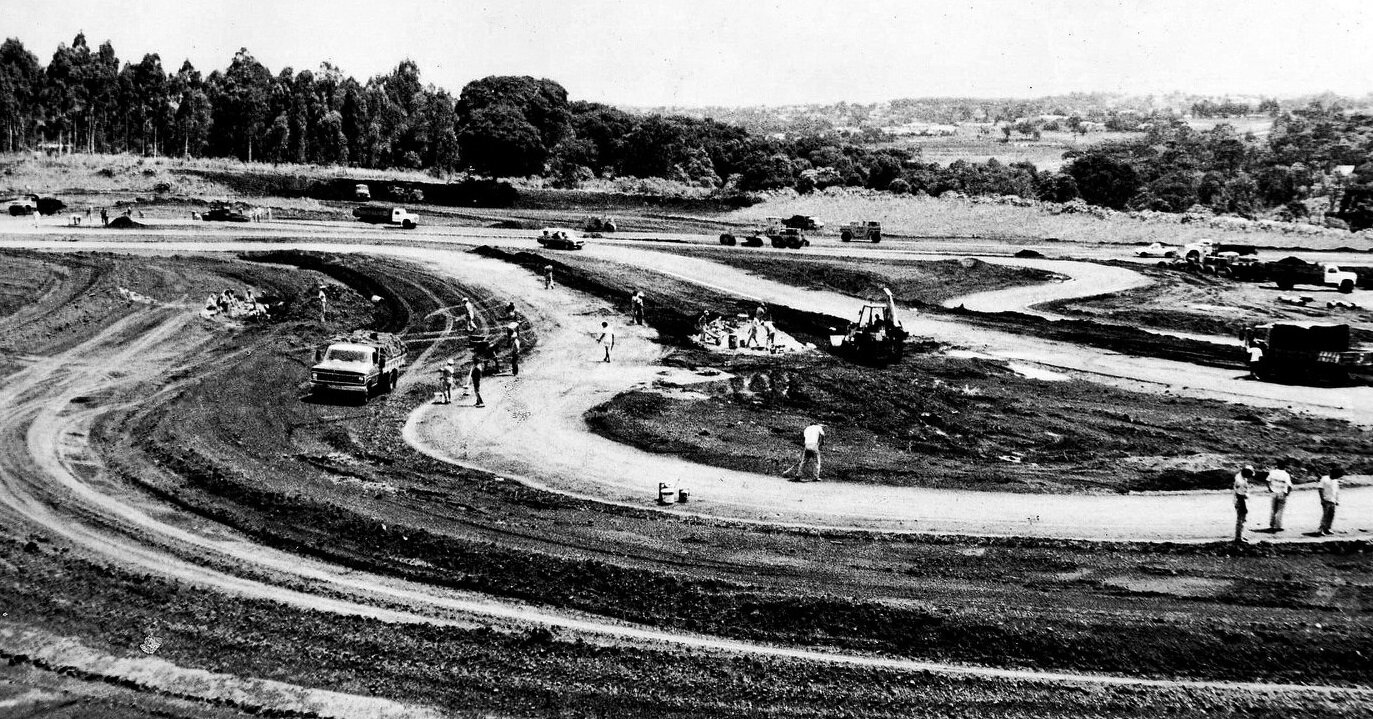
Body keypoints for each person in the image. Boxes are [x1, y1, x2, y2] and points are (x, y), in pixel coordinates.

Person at [1266, 461, 1293, 532]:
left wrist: (1269, 488)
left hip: (1273, 491)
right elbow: (1290, 486)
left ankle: (1272, 524)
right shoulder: (1286, 474)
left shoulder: (1272, 472)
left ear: (1277, 465)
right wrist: (1287, 493)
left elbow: (1267, 480)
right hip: (1282, 492)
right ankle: (1277, 526)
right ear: (1284, 467)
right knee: (1280, 510)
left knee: (1273, 509)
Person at [1317, 467, 1344, 536]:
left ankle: (1328, 528)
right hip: (1326, 500)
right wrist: (1322, 499)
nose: (1337, 477)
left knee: (1331, 515)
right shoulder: (1324, 479)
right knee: (1325, 515)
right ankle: (1321, 529)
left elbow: (1336, 491)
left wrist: (1337, 500)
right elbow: (1320, 489)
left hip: (1333, 500)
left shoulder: (1335, 481)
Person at [1233, 465, 1252, 543]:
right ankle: (1238, 538)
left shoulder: (1240, 476)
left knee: (1241, 519)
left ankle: (1240, 536)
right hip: (1240, 501)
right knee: (1241, 519)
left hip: (1240, 499)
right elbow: (1239, 495)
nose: (1250, 477)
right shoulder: (1240, 481)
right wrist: (1244, 507)